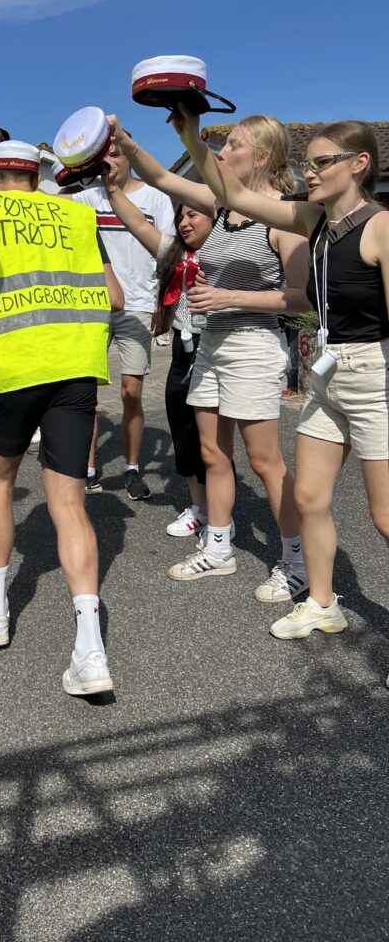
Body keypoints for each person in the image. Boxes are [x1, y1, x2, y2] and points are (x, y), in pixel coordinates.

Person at [174, 111, 389, 640]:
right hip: (329, 373)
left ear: (360, 165)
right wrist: (189, 133)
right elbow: (236, 195)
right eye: (306, 162)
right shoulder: (315, 222)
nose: (310, 171)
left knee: (385, 517)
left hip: (376, 376)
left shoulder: (381, 225)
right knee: (311, 500)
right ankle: (322, 602)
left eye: (322, 162)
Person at [0, 140, 124, 696]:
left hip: (11, 369)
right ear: (38, 173)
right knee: (69, 503)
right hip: (74, 369)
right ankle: (89, 649)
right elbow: (112, 295)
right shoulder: (77, 213)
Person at [110, 115, 311, 603]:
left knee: (264, 461)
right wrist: (124, 142)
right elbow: (160, 177)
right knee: (212, 454)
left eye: (232, 147)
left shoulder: (288, 215)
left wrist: (226, 297)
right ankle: (218, 548)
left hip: (252, 345)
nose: (220, 155)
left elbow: (301, 298)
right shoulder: (221, 205)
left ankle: (298, 562)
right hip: (213, 346)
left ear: (260, 157)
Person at [100, 189, 217, 536]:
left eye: (193, 215)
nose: (183, 222)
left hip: (216, 349)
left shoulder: (224, 253)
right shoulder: (174, 253)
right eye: (181, 216)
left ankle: (222, 515)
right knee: (182, 427)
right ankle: (200, 509)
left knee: (213, 441)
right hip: (183, 349)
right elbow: (136, 222)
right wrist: (112, 187)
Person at [72, 135, 175, 500]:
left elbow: (168, 255)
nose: (109, 162)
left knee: (131, 391)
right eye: (102, 158)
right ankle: (87, 468)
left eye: (114, 155)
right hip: (91, 307)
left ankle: (132, 468)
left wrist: (165, 305)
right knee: (85, 392)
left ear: (128, 158)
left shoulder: (155, 198)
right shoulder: (85, 199)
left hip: (138, 304)